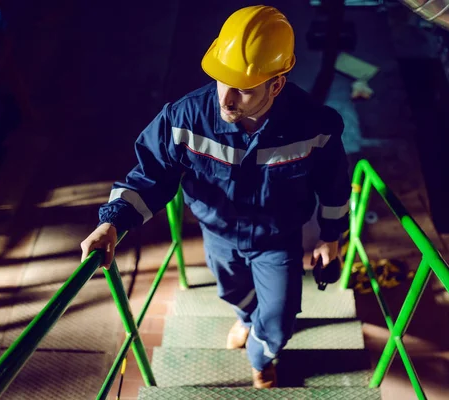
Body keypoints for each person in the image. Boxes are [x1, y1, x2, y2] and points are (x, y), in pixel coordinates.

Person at [80, 5, 350, 389]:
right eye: (223, 80)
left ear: (276, 84)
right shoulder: (184, 119)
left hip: (278, 240)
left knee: (280, 316)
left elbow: (335, 184)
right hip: (219, 237)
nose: (226, 98)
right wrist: (112, 223)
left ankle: (261, 357)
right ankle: (245, 320)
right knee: (233, 293)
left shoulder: (315, 126)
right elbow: (151, 173)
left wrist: (331, 236)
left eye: (243, 88)